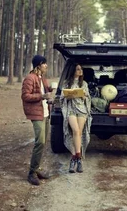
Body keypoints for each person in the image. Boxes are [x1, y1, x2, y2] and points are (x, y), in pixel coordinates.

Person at [21, 54, 53, 186]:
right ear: (39, 65)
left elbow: (45, 92)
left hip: (45, 112)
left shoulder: (42, 78)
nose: (46, 65)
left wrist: (50, 89)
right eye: (44, 63)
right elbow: (25, 96)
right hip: (36, 114)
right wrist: (42, 95)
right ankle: (31, 173)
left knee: (43, 142)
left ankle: (37, 168)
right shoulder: (30, 78)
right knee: (39, 142)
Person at [60, 63, 92, 173]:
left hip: (81, 110)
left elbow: (87, 98)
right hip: (70, 109)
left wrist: (82, 96)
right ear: (73, 71)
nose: (80, 70)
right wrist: (67, 95)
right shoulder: (66, 83)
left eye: (81, 69)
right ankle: (78, 158)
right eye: (78, 69)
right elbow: (62, 97)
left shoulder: (84, 84)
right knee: (75, 130)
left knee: (79, 132)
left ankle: (75, 159)